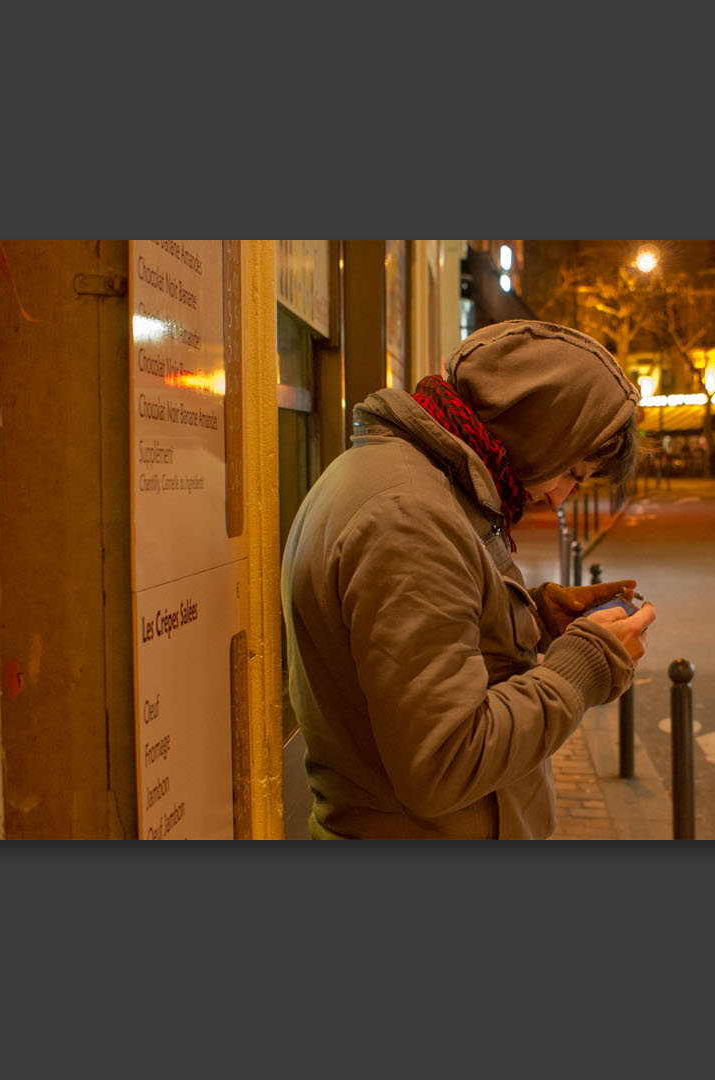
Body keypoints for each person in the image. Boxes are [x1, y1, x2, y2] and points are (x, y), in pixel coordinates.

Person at [281, 320, 657, 839]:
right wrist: (585, 666)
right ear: (541, 434)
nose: (559, 497)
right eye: (572, 472)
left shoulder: (423, 485)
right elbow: (446, 759)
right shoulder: (410, 517)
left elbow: (432, 639)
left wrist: (534, 615)